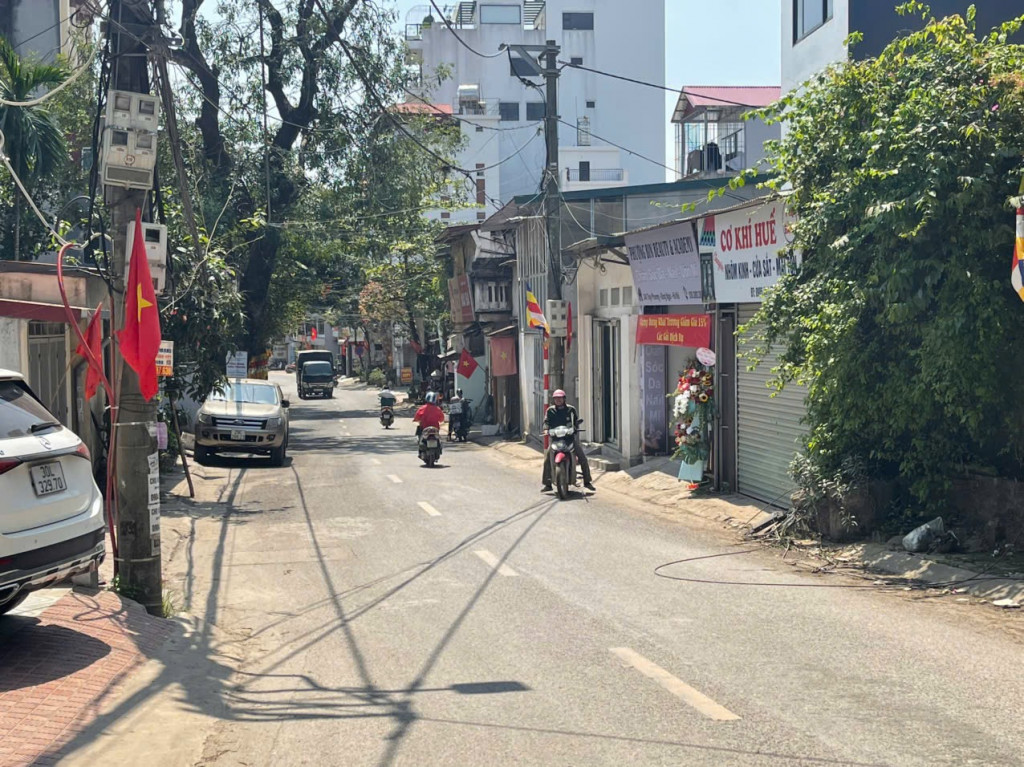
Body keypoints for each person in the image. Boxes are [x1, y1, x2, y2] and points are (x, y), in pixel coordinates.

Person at [542, 389, 595, 492]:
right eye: (556, 398)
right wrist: (546, 429)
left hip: (569, 440)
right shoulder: (550, 411)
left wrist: (575, 427)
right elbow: (546, 422)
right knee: (547, 459)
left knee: (583, 458)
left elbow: (575, 422)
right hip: (555, 440)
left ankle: (587, 481)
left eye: (560, 398)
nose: (558, 400)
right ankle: (547, 484)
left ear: (564, 399)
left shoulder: (571, 410)